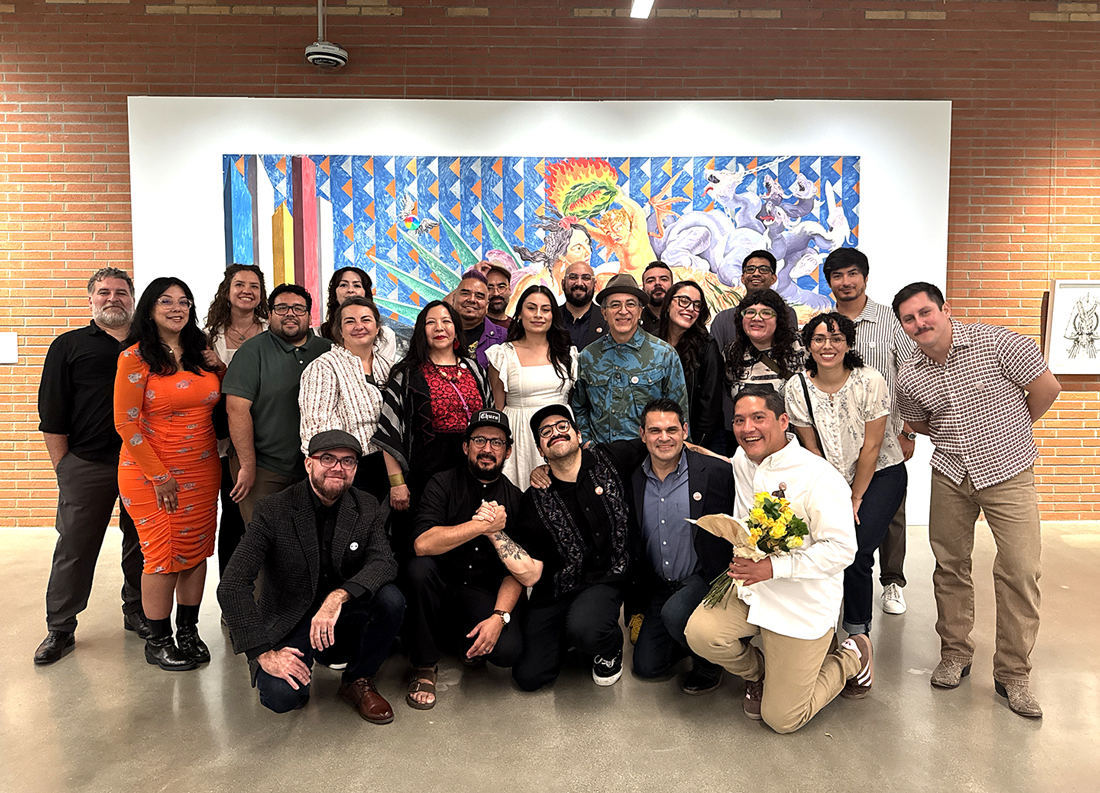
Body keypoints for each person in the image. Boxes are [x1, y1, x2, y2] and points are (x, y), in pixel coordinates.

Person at [893, 282, 1061, 718]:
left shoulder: (1000, 343)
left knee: (1020, 570)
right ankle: (955, 653)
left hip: (1008, 472)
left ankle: (1013, 674)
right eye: (909, 319)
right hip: (951, 474)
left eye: (925, 312)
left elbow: (1046, 389)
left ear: (945, 309)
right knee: (950, 565)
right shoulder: (909, 374)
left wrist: (1010, 431)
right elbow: (918, 423)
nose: (919, 323)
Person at [684, 386, 871, 735]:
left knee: (782, 719)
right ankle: (760, 675)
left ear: (784, 421)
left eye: (759, 418)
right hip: (752, 586)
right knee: (701, 634)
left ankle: (852, 656)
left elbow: (843, 549)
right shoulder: (743, 460)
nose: (747, 428)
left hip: (801, 600)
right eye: (739, 420)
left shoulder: (819, 477)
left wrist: (773, 567)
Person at [217, 430, 405, 721]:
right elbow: (232, 585)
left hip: (339, 615)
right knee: (281, 697)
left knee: (391, 599)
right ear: (308, 464)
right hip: (291, 615)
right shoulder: (273, 510)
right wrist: (264, 653)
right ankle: (303, 666)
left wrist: (337, 597)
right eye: (327, 459)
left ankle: (358, 679)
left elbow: (384, 562)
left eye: (348, 461)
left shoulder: (365, 505)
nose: (338, 468)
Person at [35, 267, 148, 666]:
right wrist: (64, 468)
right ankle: (60, 626)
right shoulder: (68, 345)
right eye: (104, 292)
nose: (112, 298)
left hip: (142, 463)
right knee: (75, 547)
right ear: (90, 300)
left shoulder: (150, 345)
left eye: (121, 292)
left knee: (142, 543)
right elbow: (52, 412)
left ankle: (137, 610)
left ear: (132, 300)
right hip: (87, 463)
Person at [114, 277, 225, 671]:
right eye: (166, 301)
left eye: (184, 302)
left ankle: (188, 632)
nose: (177, 308)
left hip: (203, 468)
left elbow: (220, 397)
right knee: (162, 556)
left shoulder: (199, 352)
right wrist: (160, 476)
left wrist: (220, 367)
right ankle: (158, 641)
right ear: (149, 308)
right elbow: (126, 424)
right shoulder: (135, 358)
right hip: (152, 474)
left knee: (196, 551)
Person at [784, 312, 907, 640]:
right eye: (819, 339)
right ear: (808, 345)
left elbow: (873, 445)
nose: (828, 346)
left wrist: (855, 497)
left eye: (837, 339)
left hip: (881, 473)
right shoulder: (796, 387)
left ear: (849, 344)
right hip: (829, 477)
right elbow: (811, 448)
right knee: (824, 545)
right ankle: (819, 629)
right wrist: (834, 493)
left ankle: (857, 634)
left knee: (857, 550)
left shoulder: (870, 380)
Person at [510, 405, 648, 691]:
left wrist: (710, 457)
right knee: (529, 677)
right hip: (557, 589)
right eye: (545, 432)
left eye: (562, 426)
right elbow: (531, 565)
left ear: (578, 434)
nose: (555, 433)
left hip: (606, 579)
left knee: (587, 628)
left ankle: (608, 646)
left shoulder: (610, 458)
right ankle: (574, 635)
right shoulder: (533, 500)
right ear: (540, 450)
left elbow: (660, 443)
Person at [405, 410, 537, 708]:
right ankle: (424, 665)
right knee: (419, 570)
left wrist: (499, 617)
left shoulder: (516, 498)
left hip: (483, 590)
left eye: (497, 442)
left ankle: (462, 639)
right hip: (441, 586)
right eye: (479, 440)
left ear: (508, 451)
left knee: (507, 652)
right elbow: (422, 544)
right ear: (466, 446)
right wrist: (481, 526)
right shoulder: (441, 483)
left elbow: (518, 571)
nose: (487, 449)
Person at [824, 247, 918, 616]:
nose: (845, 282)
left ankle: (892, 580)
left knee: (890, 512)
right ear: (829, 282)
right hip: (837, 446)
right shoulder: (825, 325)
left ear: (865, 277)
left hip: (886, 439)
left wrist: (908, 430)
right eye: (837, 276)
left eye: (852, 274)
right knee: (843, 513)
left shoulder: (889, 320)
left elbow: (910, 374)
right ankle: (843, 580)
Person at [628, 399, 733, 694]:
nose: (664, 437)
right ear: (642, 434)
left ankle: (709, 662)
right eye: (655, 430)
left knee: (675, 613)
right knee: (646, 666)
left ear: (685, 431)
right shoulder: (633, 477)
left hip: (702, 579)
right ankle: (691, 639)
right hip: (661, 585)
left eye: (672, 429)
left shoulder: (715, 472)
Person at [374, 300, 493, 557]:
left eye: (446, 321)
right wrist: (397, 483)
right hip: (423, 478)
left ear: (456, 329)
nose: (439, 327)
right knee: (421, 549)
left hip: (470, 475)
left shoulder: (475, 369)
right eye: (431, 322)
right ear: (421, 331)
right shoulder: (407, 374)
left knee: (466, 546)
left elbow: (489, 423)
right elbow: (389, 431)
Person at [222, 283, 331, 526]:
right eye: (282, 308)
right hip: (265, 467)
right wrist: (247, 465)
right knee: (266, 538)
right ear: (270, 315)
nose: (290, 314)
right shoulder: (252, 352)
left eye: (298, 308)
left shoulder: (326, 350)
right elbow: (236, 410)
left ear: (309, 316)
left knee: (310, 537)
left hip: (314, 467)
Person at [203, 264, 268, 577]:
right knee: (232, 515)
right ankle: (231, 590)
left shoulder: (272, 331)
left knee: (263, 517)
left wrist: (222, 368)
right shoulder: (208, 337)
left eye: (254, 286)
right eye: (240, 284)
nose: (247, 291)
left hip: (266, 434)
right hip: (223, 440)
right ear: (226, 291)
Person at [299, 296, 394, 506]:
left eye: (366, 320)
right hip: (346, 468)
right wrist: (333, 470)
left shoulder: (389, 367)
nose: (359, 326)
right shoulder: (324, 367)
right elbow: (316, 429)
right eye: (350, 321)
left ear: (377, 327)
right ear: (340, 331)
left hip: (387, 466)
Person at [572, 274, 688, 444]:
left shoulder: (664, 354)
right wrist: (587, 443)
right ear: (604, 313)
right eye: (615, 305)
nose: (623, 311)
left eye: (630, 304)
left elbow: (679, 411)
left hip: (649, 454)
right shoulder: (588, 356)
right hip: (601, 453)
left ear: (640, 311)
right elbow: (580, 407)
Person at [486, 285, 578, 490]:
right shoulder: (503, 355)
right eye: (531, 308)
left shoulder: (568, 354)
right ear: (519, 313)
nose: (538, 315)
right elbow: (498, 408)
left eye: (545, 309)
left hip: (560, 434)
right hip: (519, 436)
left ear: (553, 315)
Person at [710, 250, 799, 453]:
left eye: (763, 269)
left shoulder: (791, 321)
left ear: (773, 277)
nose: (756, 273)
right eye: (750, 269)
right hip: (739, 425)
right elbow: (721, 376)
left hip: (784, 426)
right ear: (742, 277)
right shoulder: (723, 321)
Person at [657, 280, 724, 452]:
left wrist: (694, 445)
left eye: (697, 305)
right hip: (659, 436)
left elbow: (710, 402)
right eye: (684, 301)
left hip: (701, 439)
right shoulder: (651, 342)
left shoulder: (707, 346)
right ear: (668, 303)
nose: (690, 308)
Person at [318, 266, 398, 360]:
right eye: (343, 285)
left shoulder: (386, 335)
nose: (350, 290)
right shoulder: (319, 333)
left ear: (366, 293)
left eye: (357, 285)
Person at [453, 269, 507, 369]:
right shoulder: (438, 333)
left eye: (479, 296)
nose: (472, 299)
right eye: (465, 293)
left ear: (487, 305)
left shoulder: (504, 338)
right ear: (453, 299)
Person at [559, 260, 607, 351]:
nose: (579, 283)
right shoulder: (550, 318)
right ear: (563, 283)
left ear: (595, 285)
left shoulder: (607, 320)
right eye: (573, 277)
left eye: (586, 278)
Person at [640, 260, 673, 335]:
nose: (657, 283)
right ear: (643, 289)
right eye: (650, 281)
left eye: (664, 279)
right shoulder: (635, 322)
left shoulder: (683, 318)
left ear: (673, 286)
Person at [485, 263, 514, 329]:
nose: (496, 293)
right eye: (489, 288)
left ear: (509, 290)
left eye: (501, 287)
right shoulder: (474, 324)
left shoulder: (516, 328)